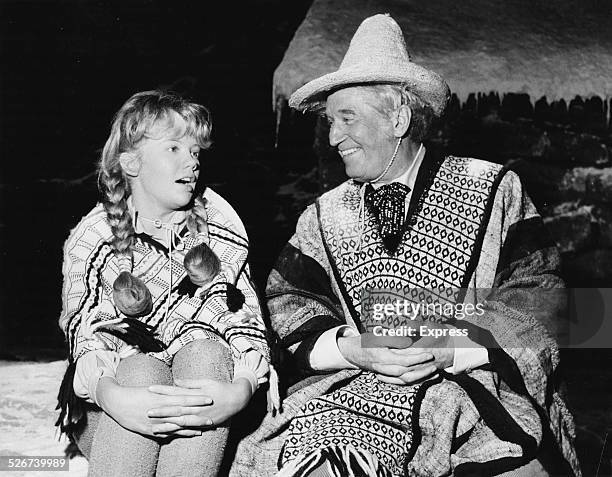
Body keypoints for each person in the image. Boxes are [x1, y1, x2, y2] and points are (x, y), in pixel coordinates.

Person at [231, 14, 581, 477]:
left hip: (470, 394)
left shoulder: (496, 189)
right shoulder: (322, 215)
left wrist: (449, 344)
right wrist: (351, 347)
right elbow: (286, 306)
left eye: (346, 118)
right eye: (330, 121)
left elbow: (547, 302)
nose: (333, 137)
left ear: (397, 117)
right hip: (351, 397)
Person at [56, 90, 276, 476]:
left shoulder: (218, 223)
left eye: (195, 152)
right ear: (131, 162)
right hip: (112, 406)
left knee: (207, 352)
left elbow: (241, 316)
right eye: (174, 148)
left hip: (208, 389)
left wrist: (239, 389)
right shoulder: (93, 237)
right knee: (141, 370)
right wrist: (114, 397)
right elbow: (86, 332)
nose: (191, 163)